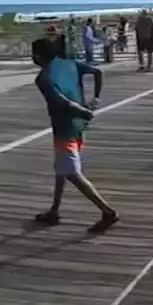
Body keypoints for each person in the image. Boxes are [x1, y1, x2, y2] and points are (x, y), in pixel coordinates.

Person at [30, 38, 119, 232]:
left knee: (71, 172)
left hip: (65, 129)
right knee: (61, 168)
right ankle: (54, 211)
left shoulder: (43, 78)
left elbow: (61, 102)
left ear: (38, 56)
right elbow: (97, 72)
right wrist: (95, 99)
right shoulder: (69, 63)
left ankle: (107, 211)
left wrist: (82, 111)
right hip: (80, 127)